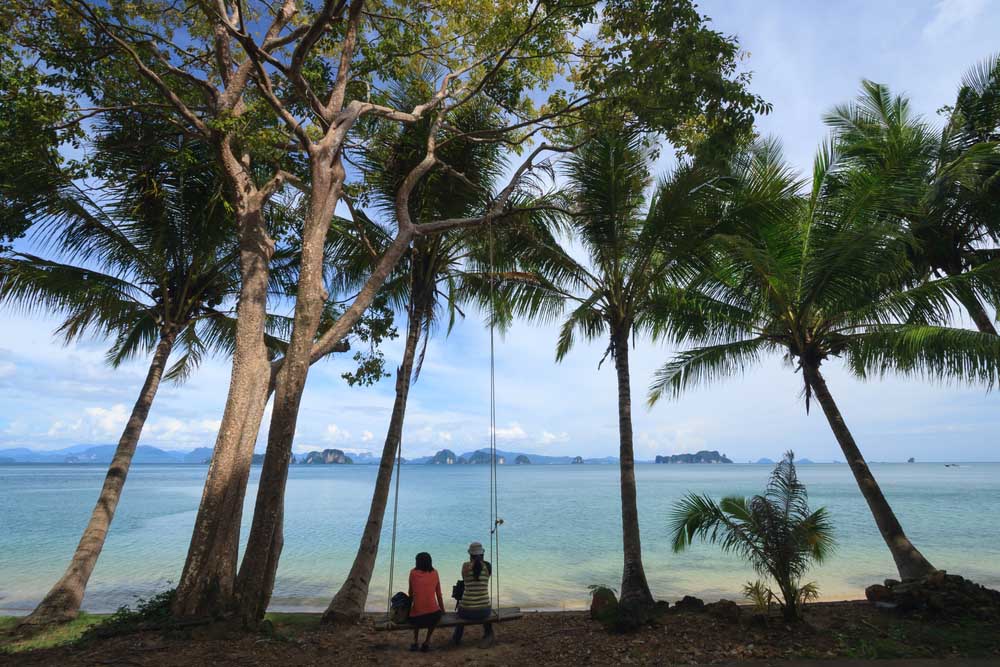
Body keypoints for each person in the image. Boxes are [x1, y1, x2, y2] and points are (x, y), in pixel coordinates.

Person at [453, 541, 494, 646]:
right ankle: (489, 634)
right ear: (482, 554)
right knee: (485, 604)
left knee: (461, 606)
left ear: (470, 554)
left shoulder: (465, 567)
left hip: (467, 612)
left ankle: (456, 638)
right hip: (484, 611)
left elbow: (465, 580)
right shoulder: (488, 566)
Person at [407, 551, 444, 652]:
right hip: (433, 615)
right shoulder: (435, 572)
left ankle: (415, 642)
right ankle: (427, 642)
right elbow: (439, 595)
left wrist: (409, 608)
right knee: (436, 616)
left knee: (415, 612)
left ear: (417, 562)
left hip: (417, 618)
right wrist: (443, 610)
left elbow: (410, 593)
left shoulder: (413, 573)